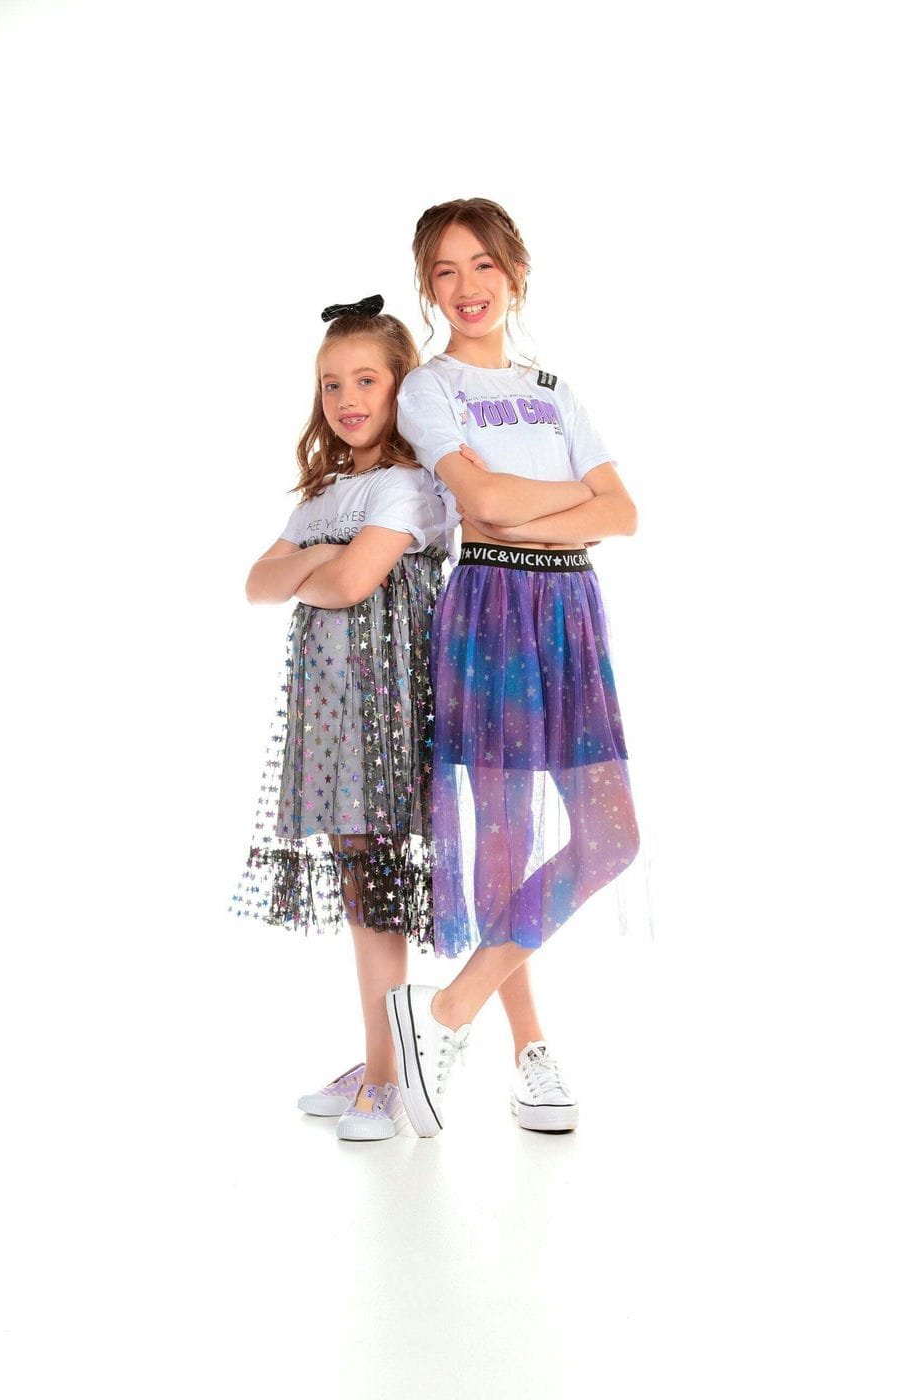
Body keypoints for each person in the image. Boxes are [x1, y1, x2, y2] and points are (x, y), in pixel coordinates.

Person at [389, 198, 641, 1137]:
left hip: (572, 614)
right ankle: (529, 1050)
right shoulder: (430, 389)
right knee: (503, 840)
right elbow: (482, 505)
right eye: (445, 271)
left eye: (483, 265)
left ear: (515, 273)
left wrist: (529, 504)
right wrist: (567, 501)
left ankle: (444, 1008)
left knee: (611, 835)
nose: (467, 287)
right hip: (492, 607)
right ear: (428, 287)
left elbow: (623, 512)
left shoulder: (553, 388)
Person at [230, 296, 447, 1142]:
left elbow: (355, 584)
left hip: (385, 715)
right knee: (361, 885)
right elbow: (257, 584)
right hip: (330, 719)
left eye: (366, 381)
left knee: (378, 885)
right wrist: (323, 553)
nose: (347, 400)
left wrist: (314, 566)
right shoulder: (325, 494)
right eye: (331, 385)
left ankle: (390, 1077)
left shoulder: (407, 485)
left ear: (400, 387)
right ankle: (377, 1061)